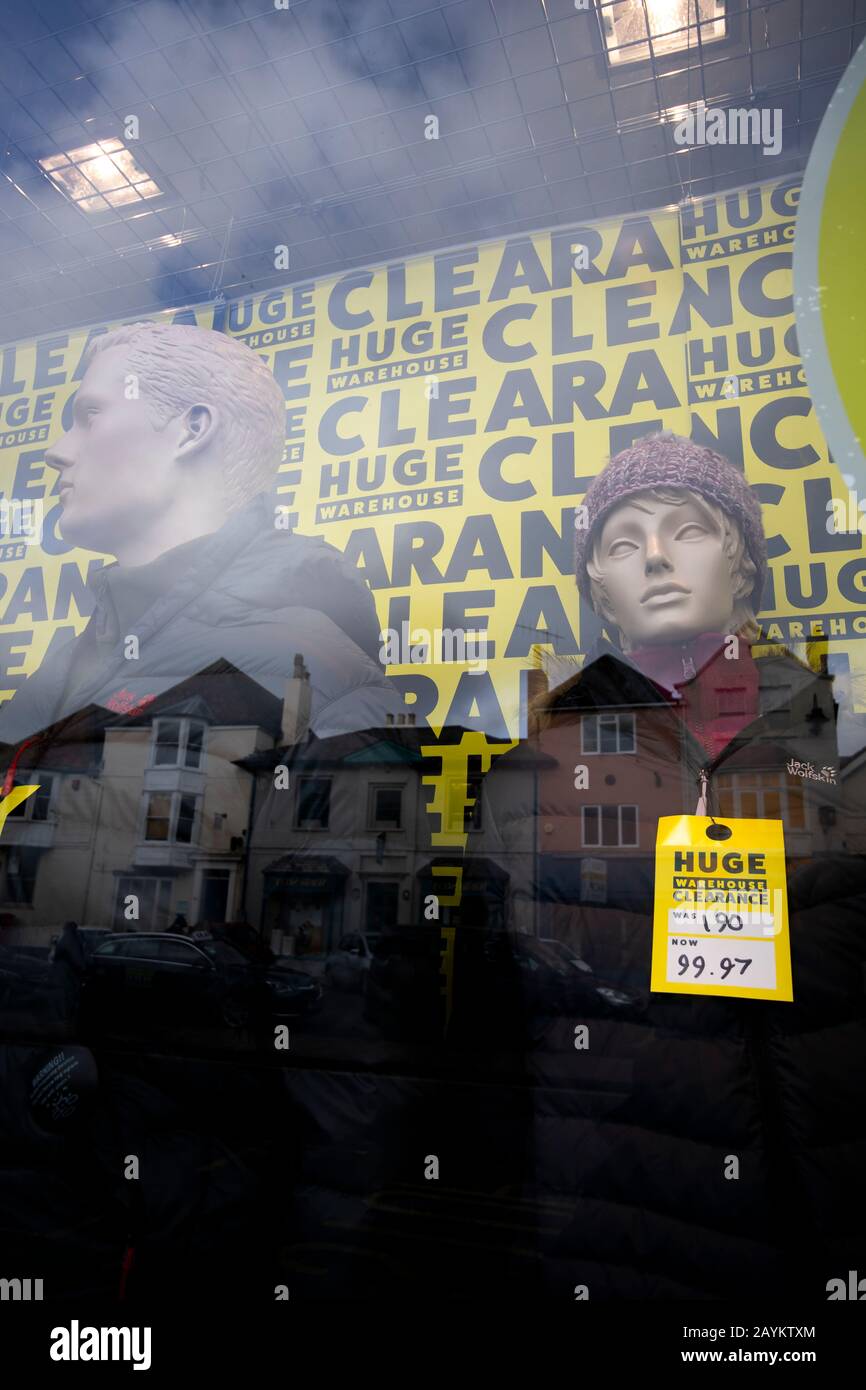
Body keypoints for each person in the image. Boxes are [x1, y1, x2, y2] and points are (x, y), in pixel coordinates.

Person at [436, 432, 866, 1299]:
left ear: (741, 560)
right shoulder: (537, 770)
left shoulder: (844, 747)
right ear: (598, 584)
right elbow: (491, 1027)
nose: (657, 558)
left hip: (826, 1218)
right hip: (617, 1218)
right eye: (623, 542)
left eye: (689, 529)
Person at [0, 322, 403, 746]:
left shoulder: (328, 691)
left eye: (90, 416)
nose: (57, 452)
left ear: (192, 429)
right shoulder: (56, 678)